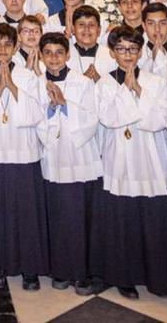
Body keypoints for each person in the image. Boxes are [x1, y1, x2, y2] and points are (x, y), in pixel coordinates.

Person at [93, 25, 167, 300]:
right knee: (122, 219)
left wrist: (137, 89)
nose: (127, 54)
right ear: (113, 53)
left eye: (132, 49)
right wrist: (127, 94)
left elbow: (160, 120)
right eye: (121, 49)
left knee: (152, 218)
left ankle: (157, 276)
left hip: (150, 157)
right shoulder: (104, 83)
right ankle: (124, 277)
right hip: (119, 157)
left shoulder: (157, 82)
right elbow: (108, 118)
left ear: (140, 52)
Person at [0, 22, 48, 290]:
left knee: (25, 213)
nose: (3, 49)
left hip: (23, 153)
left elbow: (36, 115)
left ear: (16, 46)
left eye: (8, 44)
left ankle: (29, 269)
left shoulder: (29, 76)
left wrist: (12, 86)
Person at [37, 31, 101, 294]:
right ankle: (60, 270)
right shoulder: (34, 83)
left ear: (68, 54)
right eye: (48, 53)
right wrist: (51, 111)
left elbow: (92, 119)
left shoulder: (82, 83)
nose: (54, 58)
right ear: (41, 55)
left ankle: (82, 272)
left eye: (59, 53)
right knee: (58, 217)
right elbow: (33, 121)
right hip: (53, 158)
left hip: (79, 159)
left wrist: (64, 106)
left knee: (80, 218)